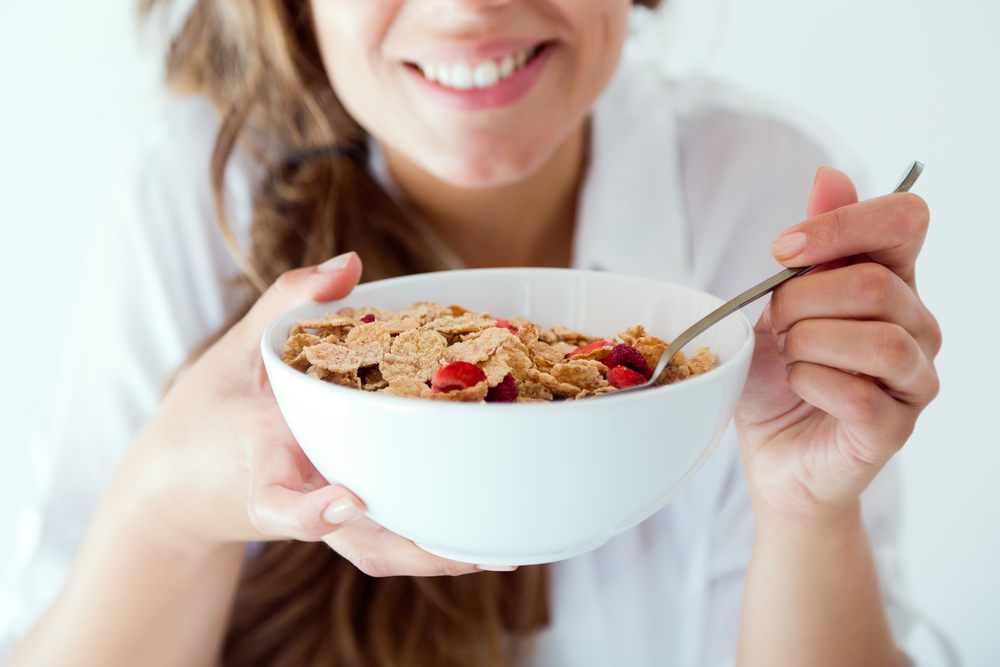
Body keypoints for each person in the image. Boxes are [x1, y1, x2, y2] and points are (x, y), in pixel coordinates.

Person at [1, 0, 943, 665]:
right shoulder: (196, 194)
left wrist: (808, 515)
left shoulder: (756, 209)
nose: (470, 4)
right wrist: (170, 505)